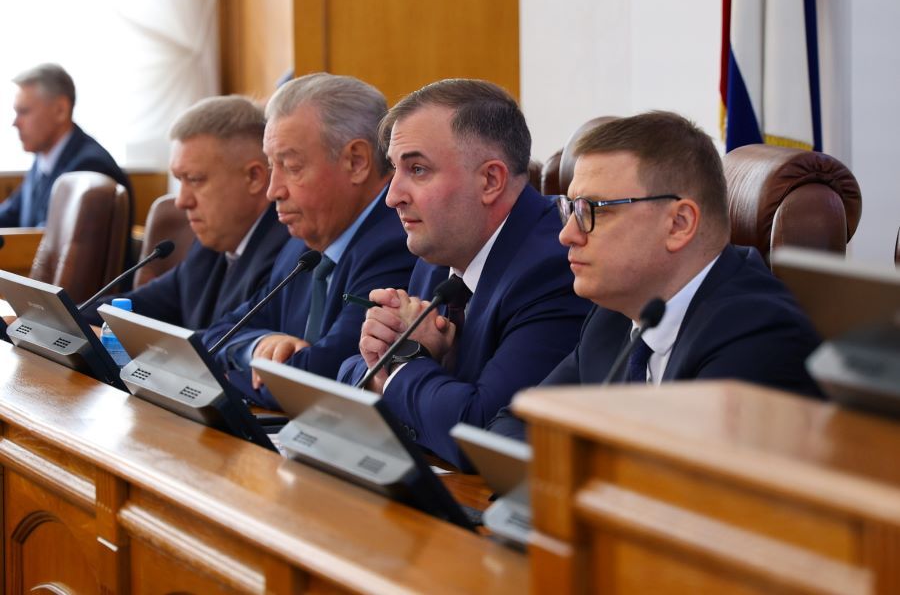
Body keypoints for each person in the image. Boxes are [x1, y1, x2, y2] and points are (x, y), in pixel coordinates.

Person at [489, 111, 823, 440]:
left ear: (679, 224)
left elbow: (677, 470)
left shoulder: (756, 334)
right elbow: (513, 424)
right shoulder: (612, 317)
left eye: (593, 211)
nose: (567, 235)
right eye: (571, 209)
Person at [338, 79, 590, 467]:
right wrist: (387, 362)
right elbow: (348, 372)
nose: (392, 196)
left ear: (490, 180)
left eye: (417, 169)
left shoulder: (554, 268)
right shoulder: (438, 254)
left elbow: (483, 434)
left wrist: (401, 364)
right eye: (395, 169)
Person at [202, 73, 416, 407]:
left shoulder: (396, 242)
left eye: (291, 166)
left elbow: (321, 378)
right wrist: (259, 347)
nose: (273, 190)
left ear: (356, 161)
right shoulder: (300, 248)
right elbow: (218, 334)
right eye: (272, 166)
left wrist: (225, 380)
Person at [80, 95, 290, 329]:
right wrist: (66, 319)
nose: (181, 201)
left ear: (254, 177)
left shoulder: (286, 255)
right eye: (180, 180)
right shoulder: (209, 247)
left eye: (195, 179)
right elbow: (136, 307)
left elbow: (227, 342)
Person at [1, 63, 131, 227]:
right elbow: (11, 213)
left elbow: (52, 238)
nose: (15, 123)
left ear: (60, 110)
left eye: (24, 111)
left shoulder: (90, 169)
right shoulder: (42, 160)